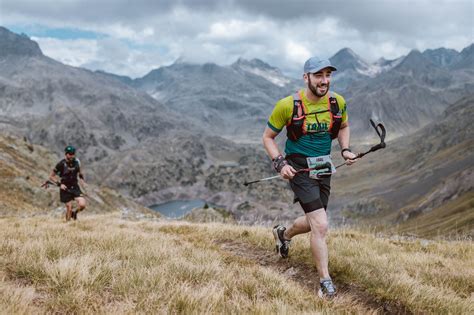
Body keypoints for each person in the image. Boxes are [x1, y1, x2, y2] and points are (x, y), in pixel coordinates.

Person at [262, 56, 358, 298]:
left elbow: (344, 127)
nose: (324, 81)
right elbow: (267, 138)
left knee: (315, 220)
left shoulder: (338, 102)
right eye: (318, 75)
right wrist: (279, 163)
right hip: (299, 168)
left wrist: (345, 149)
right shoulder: (287, 105)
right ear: (306, 78)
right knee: (322, 225)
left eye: (328, 75)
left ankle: (283, 234)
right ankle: (325, 282)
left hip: (323, 166)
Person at [49, 145, 87, 221]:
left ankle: (75, 213)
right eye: (70, 154)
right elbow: (51, 176)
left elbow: (80, 173)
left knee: (82, 204)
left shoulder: (77, 162)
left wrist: (83, 182)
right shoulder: (61, 164)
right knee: (69, 207)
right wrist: (60, 184)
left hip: (75, 187)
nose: (72, 155)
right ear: (66, 154)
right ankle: (68, 224)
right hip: (65, 188)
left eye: (73, 153)